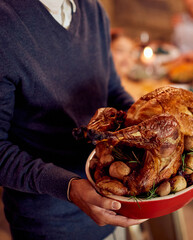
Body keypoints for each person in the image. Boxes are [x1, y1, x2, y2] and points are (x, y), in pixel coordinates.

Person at [0, 0, 146, 239]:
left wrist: (145, 119)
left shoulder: (93, 10)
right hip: (49, 222)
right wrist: (69, 187)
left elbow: (110, 89)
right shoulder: (5, 24)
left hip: (112, 202)